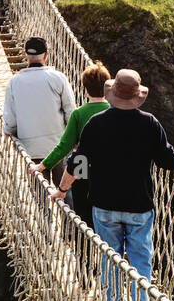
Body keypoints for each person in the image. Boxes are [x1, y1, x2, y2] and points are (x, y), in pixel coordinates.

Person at [79, 69, 174, 301]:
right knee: (140, 264)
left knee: (110, 263)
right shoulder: (149, 124)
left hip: (104, 207)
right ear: (137, 96)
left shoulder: (95, 123)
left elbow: (79, 163)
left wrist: (62, 189)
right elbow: (169, 160)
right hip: (139, 207)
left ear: (112, 94)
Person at [30, 61, 112, 227]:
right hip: (109, 172)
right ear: (107, 88)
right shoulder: (114, 111)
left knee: (83, 218)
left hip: (82, 172)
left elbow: (64, 146)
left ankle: (82, 250)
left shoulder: (78, 114)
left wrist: (43, 165)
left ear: (85, 88)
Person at [3, 37, 76, 201]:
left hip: (30, 150)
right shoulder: (58, 78)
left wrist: (9, 132)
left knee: (40, 196)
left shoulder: (14, 82)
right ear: (46, 55)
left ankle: (45, 222)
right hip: (58, 146)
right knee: (65, 191)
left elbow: (10, 120)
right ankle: (68, 225)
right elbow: (71, 113)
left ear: (24, 55)